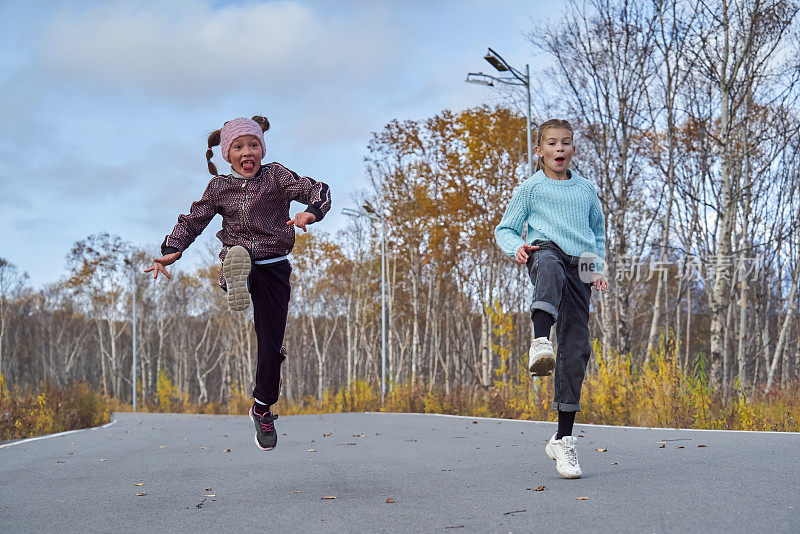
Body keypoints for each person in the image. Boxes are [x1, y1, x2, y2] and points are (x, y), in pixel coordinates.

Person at [145, 116, 332, 451]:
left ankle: (262, 407)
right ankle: (235, 278)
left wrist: (311, 212)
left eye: (254, 145)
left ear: (262, 150)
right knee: (239, 255)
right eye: (239, 146)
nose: (248, 152)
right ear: (227, 155)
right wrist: (172, 249)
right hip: (242, 259)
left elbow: (315, 189)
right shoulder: (219, 188)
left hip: (274, 267)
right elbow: (194, 219)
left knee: (272, 348)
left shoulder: (275, 176)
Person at [495, 119, 608, 479]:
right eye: (552, 144)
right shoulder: (531, 188)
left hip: (580, 265)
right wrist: (517, 246)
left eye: (566, 143)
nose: (559, 149)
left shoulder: (586, 191)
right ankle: (540, 340)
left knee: (576, 347)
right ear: (540, 151)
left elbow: (596, 236)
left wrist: (596, 272)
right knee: (549, 262)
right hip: (545, 253)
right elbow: (506, 228)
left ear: (574, 149)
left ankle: (563, 439)